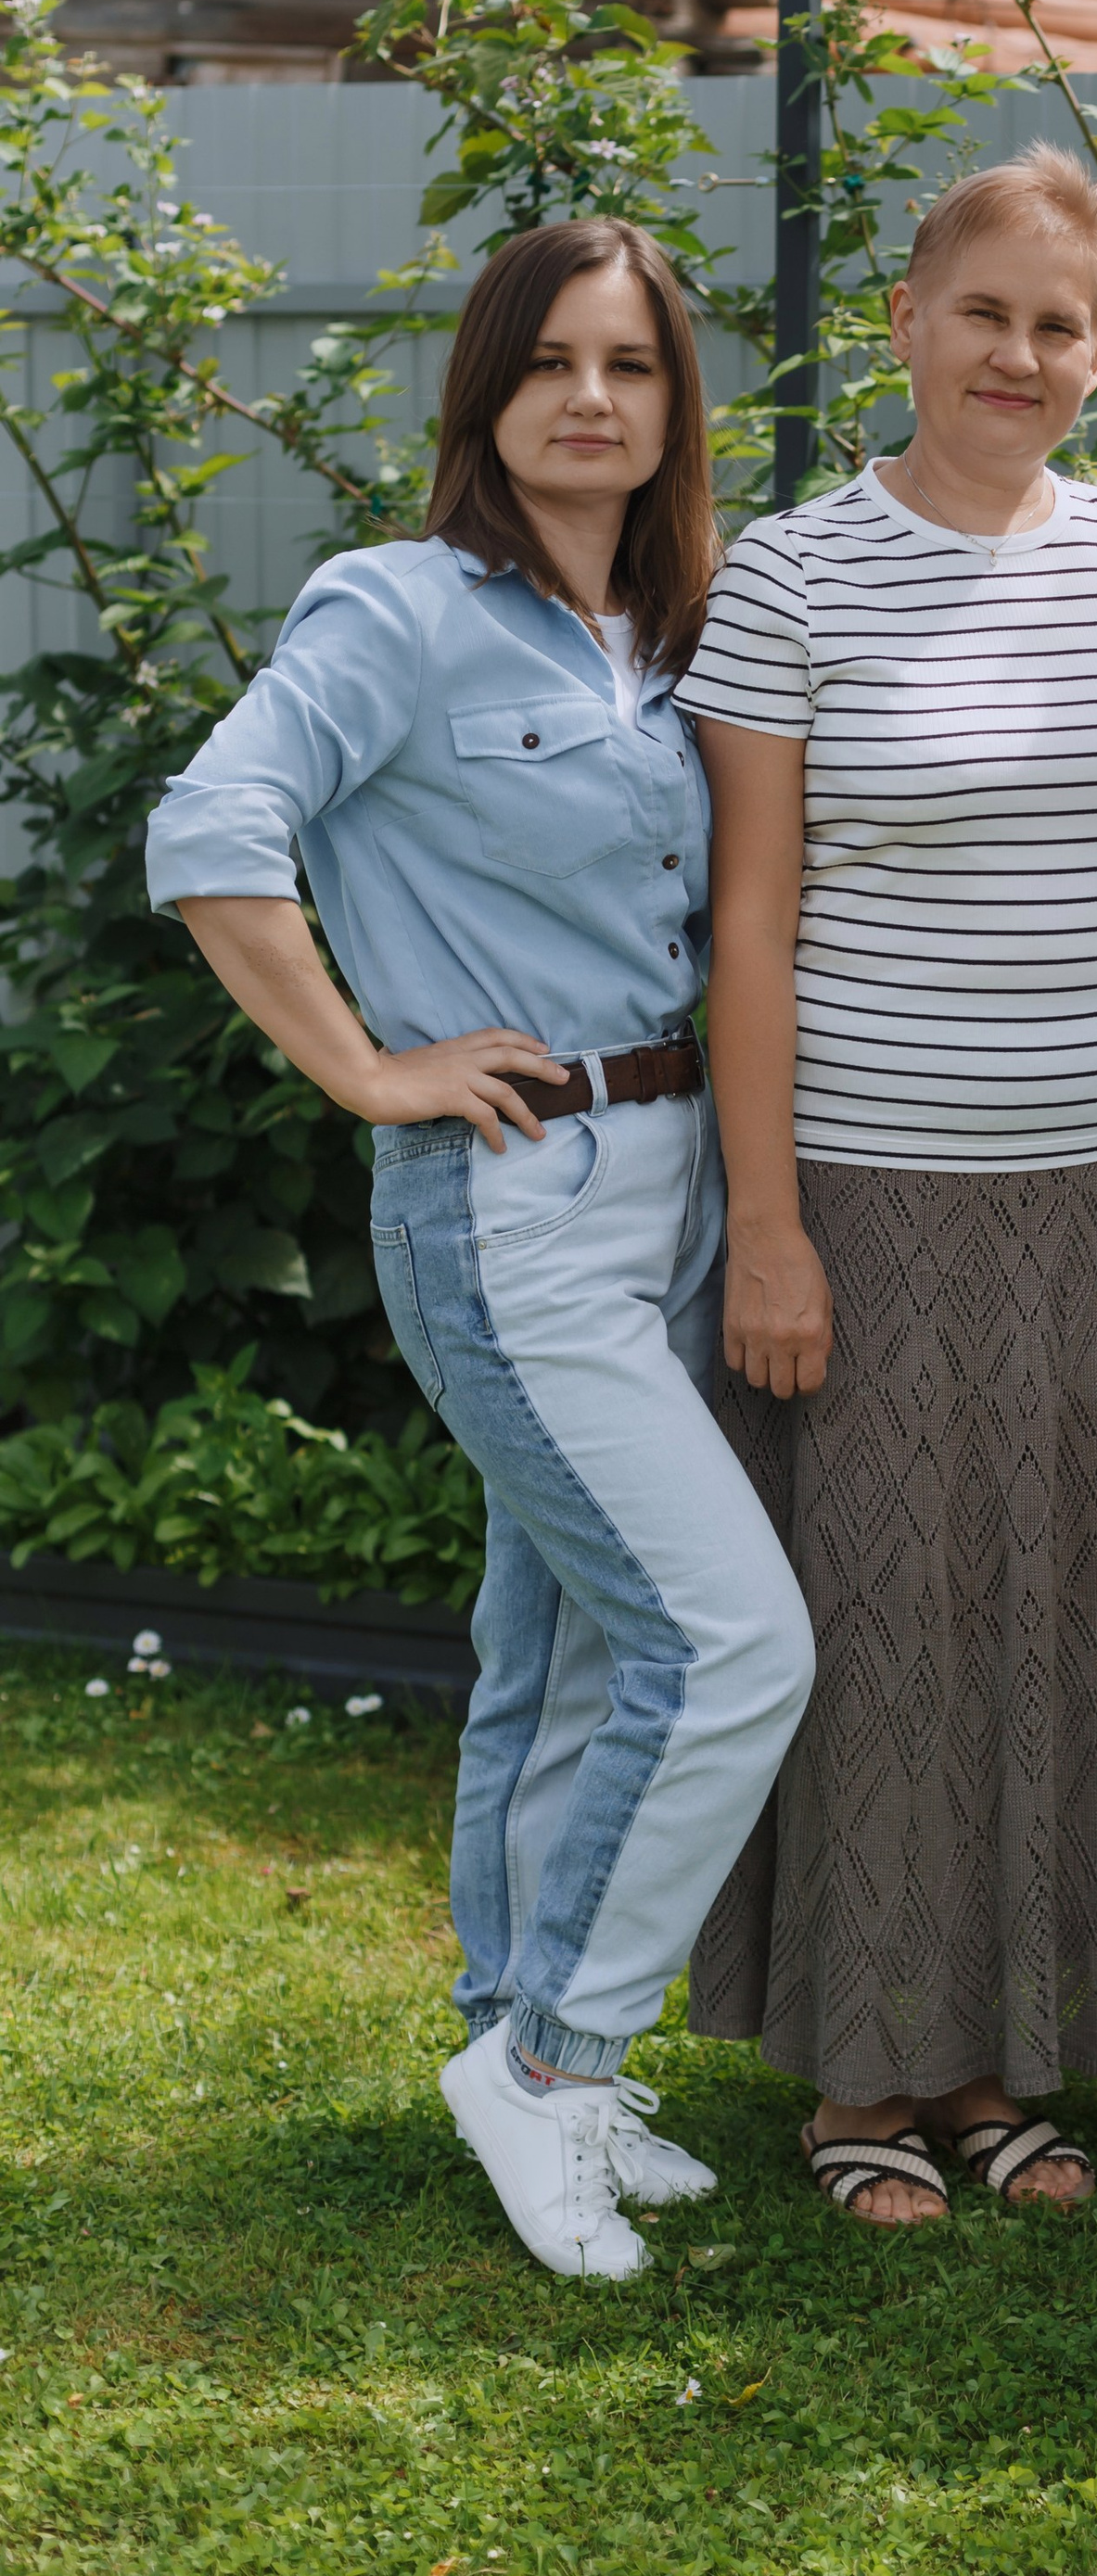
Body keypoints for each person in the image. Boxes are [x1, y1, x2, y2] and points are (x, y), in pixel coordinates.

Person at [144, 218, 814, 2284]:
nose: (591, 400)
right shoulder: (403, 612)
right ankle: (548, 2065)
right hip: (510, 1199)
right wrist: (364, 1068)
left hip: (675, 1178)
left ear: (671, 403)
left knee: (576, 1651)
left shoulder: (679, 631)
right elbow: (211, 828)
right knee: (731, 1648)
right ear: (485, 393)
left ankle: (537, 2060)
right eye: (549, 364)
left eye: (629, 365)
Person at [675, 145, 1097, 2227]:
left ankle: (1005, 2061)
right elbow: (748, 928)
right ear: (902, 321)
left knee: (1070, 1615)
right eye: (983, 311)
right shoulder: (796, 579)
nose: (1019, 353)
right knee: (883, 1621)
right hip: (872, 1191)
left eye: (1060, 323)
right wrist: (773, 1223)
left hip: (1096, 1186)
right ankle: (858, 2084)